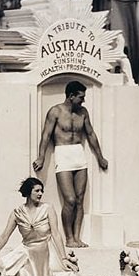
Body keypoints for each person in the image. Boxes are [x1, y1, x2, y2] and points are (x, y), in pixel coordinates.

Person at [32, 80, 108, 248]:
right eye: (81, 97)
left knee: (80, 199)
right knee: (70, 200)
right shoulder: (55, 112)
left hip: (79, 154)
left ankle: (76, 237)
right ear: (71, 96)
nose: (83, 100)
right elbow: (45, 136)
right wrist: (41, 157)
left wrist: (100, 157)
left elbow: (91, 134)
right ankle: (68, 238)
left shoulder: (83, 112)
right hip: (63, 154)